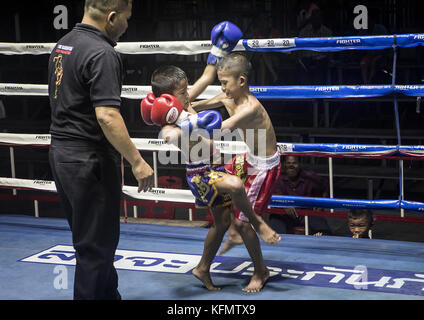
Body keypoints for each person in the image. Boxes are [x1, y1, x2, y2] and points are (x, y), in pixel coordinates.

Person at [141, 22, 281, 293]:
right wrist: (189, 126)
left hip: (216, 165)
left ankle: (203, 267)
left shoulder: (184, 102)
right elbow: (170, 136)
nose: (189, 93)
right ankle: (258, 224)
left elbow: (206, 77)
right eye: (183, 92)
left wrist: (218, 48)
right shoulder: (170, 120)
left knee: (222, 223)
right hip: (202, 174)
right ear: (169, 99)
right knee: (236, 188)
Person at [47, 0, 154, 300]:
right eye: (126, 19)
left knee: (94, 241)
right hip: (88, 160)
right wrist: (137, 160)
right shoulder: (102, 52)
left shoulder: (63, 45)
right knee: (95, 248)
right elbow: (107, 115)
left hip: (62, 154)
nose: (127, 26)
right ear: (111, 17)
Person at [192, 52, 282, 256]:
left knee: (245, 223)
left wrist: (187, 128)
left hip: (263, 168)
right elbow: (200, 104)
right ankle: (233, 229)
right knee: (213, 178)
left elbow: (221, 127)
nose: (222, 88)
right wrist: (179, 108)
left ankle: (260, 270)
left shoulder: (250, 108)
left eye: (225, 82)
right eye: (220, 83)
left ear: (241, 80)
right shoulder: (228, 95)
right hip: (247, 157)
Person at [268, 155, 332, 236]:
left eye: (294, 163)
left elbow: (325, 185)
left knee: (325, 232)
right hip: (284, 214)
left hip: (306, 214)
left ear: (299, 164)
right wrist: (284, 206)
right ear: (284, 165)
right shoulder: (278, 178)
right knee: (275, 231)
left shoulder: (309, 176)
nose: (291, 166)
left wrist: (321, 203)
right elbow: (271, 196)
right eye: (288, 163)